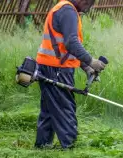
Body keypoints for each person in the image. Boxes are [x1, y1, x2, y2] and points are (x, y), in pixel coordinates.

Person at [34, 0, 106, 149]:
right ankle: (70, 147)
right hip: (57, 69)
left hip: (49, 66)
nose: (88, 8)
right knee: (65, 108)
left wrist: (86, 67)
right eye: (89, 4)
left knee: (49, 109)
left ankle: (42, 146)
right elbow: (71, 43)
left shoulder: (63, 8)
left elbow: (65, 48)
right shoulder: (68, 11)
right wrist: (91, 61)